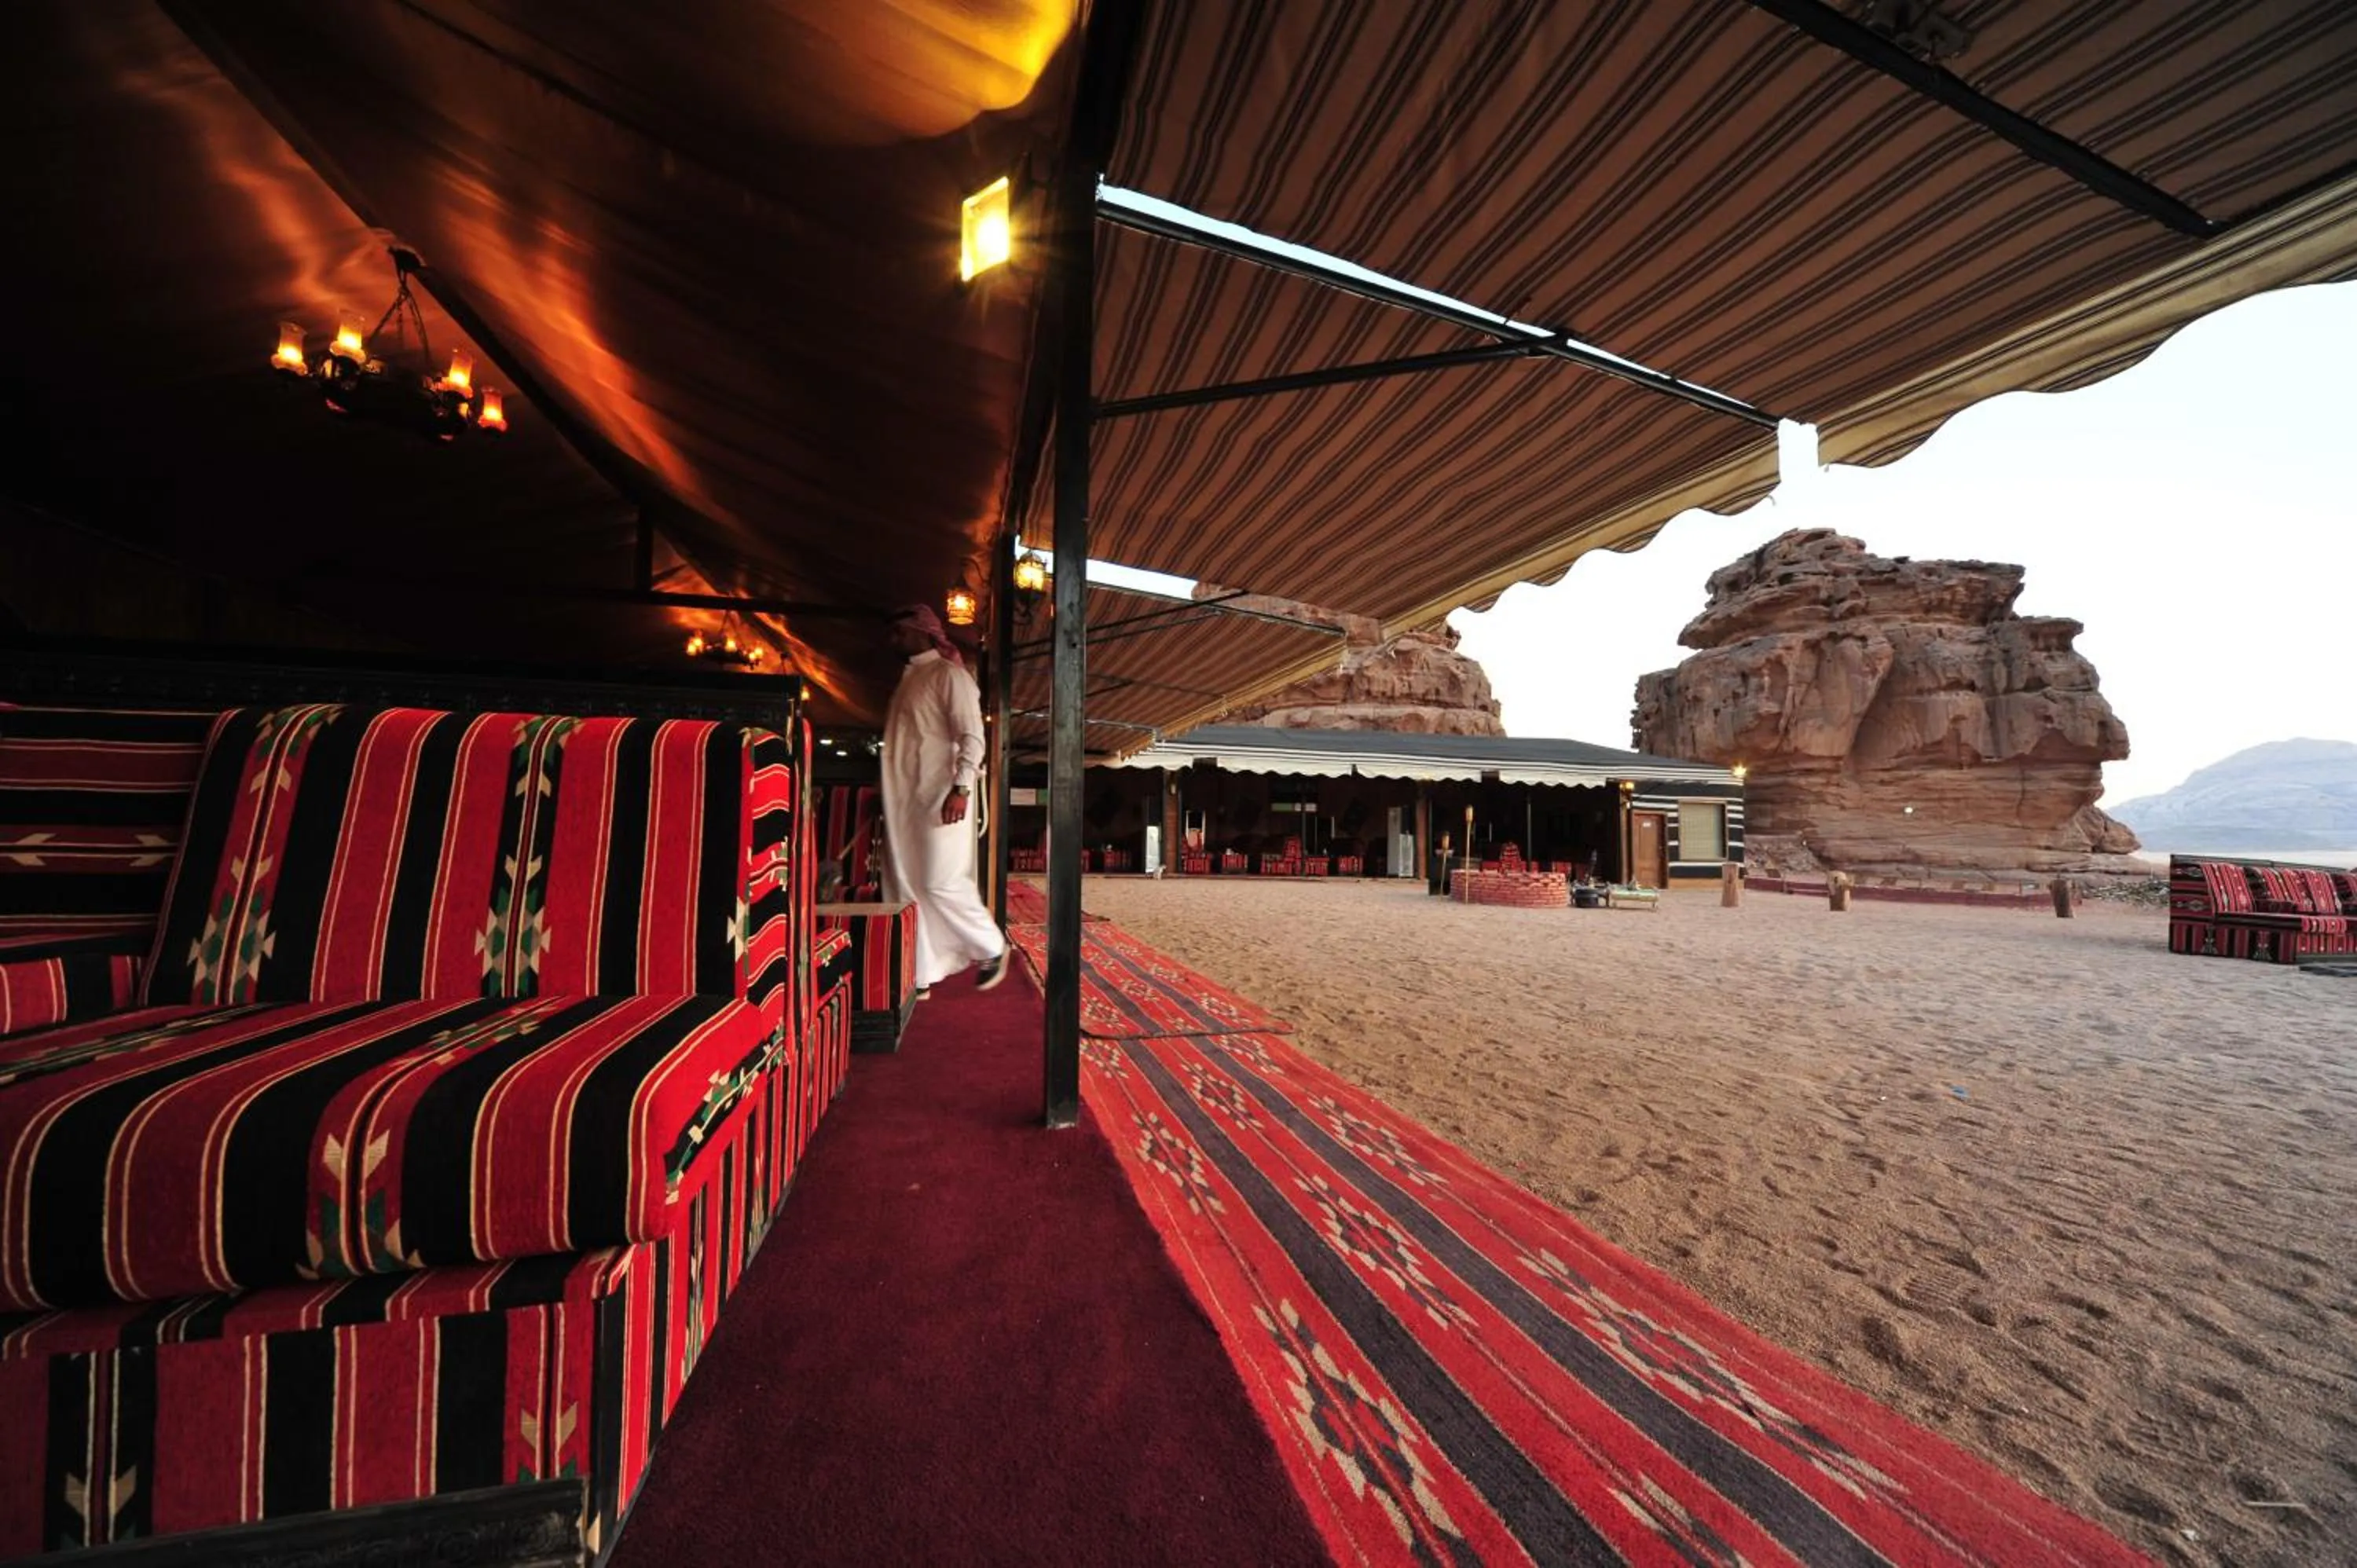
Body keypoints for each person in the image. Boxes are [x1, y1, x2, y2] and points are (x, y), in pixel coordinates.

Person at [879, 604, 1008, 996]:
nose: (893, 639)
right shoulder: (908, 680)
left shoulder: (949, 675)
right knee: (906, 886)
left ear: (922, 632)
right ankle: (921, 974)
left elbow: (973, 737)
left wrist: (962, 788)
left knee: (940, 881)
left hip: (943, 799)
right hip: (904, 802)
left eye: (899, 631)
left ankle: (992, 947)